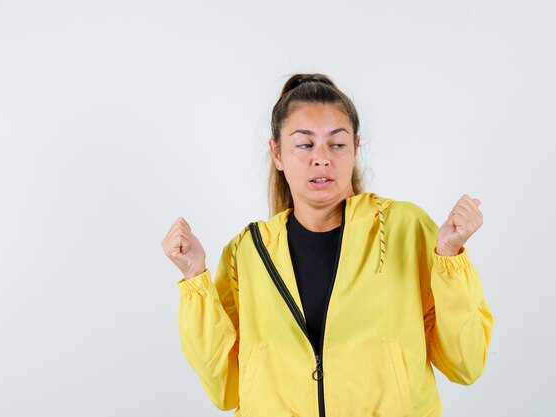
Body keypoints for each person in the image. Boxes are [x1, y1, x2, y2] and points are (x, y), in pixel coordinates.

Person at [162, 74, 493, 417]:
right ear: (276, 153)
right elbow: (225, 388)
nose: (321, 158)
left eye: (336, 144)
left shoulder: (405, 230)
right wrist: (194, 277)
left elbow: (465, 365)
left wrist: (450, 258)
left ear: (355, 148)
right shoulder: (248, 251)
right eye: (304, 144)